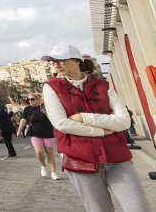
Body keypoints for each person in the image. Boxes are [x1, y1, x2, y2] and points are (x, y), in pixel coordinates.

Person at [41, 44, 149, 212]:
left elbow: (124, 121)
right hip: (80, 160)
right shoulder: (51, 87)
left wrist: (84, 117)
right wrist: (100, 131)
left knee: (139, 208)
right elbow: (61, 124)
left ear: (76, 61)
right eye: (53, 61)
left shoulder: (102, 85)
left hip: (117, 158)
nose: (56, 65)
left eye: (61, 60)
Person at [18, 95, 59, 180]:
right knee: (39, 152)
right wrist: (19, 130)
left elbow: (55, 118)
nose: (30, 101)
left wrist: (46, 113)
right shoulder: (27, 109)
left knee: (50, 152)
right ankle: (43, 166)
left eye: (32, 99)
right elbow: (24, 120)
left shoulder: (46, 107)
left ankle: (53, 172)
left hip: (48, 132)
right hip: (34, 133)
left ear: (38, 99)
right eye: (28, 99)